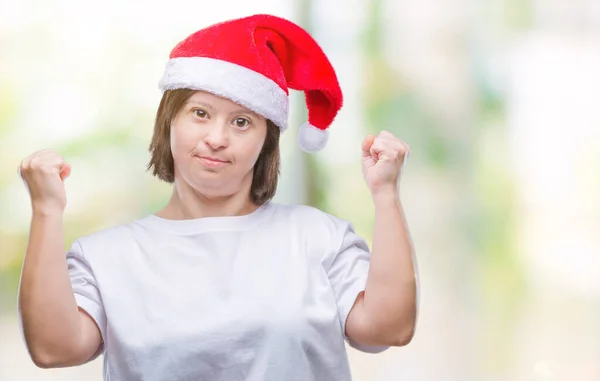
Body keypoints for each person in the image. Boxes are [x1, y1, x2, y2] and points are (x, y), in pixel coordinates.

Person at [17, 13, 418, 381]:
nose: (216, 138)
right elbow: (54, 349)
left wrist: (385, 196)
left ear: (266, 142)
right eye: (200, 113)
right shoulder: (106, 257)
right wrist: (46, 210)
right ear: (169, 120)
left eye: (241, 122)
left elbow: (388, 329)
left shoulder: (318, 237)